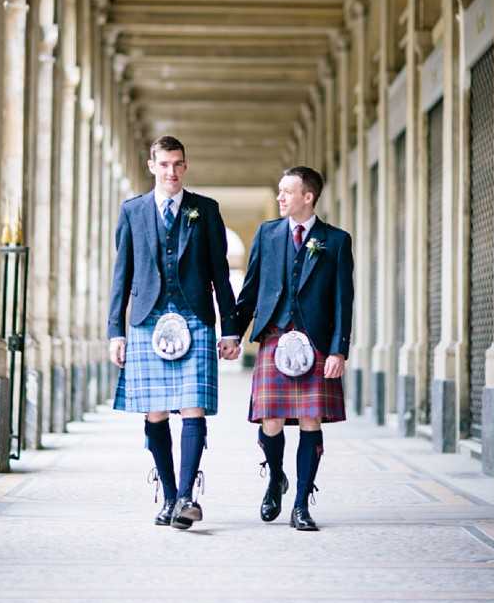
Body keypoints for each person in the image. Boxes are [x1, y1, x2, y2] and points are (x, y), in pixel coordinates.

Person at [107, 136, 240, 530]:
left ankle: (186, 496)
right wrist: (116, 331)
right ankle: (168, 495)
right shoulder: (132, 211)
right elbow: (122, 275)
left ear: (185, 166)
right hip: (147, 319)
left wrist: (231, 329)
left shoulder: (206, 210)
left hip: (196, 317)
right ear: (152, 165)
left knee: (194, 405)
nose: (171, 172)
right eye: (164, 164)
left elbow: (220, 273)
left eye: (178, 164)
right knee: (156, 411)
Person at [236, 166, 354, 531]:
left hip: (316, 342)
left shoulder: (335, 240)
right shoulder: (267, 234)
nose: (280, 197)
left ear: (308, 196)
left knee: (309, 420)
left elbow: (342, 300)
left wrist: (339, 351)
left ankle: (301, 503)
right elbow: (251, 288)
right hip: (274, 337)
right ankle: (275, 478)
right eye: (279, 191)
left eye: (288, 191)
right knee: (270, 421)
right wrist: (231, 334)